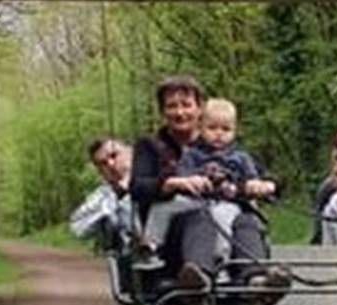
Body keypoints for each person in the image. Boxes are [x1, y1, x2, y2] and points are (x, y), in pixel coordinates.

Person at [129, 76, 271, 288]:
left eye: (186, 105)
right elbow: (137, 188)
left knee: (246, 220)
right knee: (201, 217)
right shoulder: (150, 146)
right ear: (162, 112)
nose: (180, 112)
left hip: (227, 220)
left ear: (199, 109)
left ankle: (256, 278)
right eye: (171, 106)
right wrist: (171, 184)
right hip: (176, 237)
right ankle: (199, 275)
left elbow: (261, 175)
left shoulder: (227, 147)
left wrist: (266, 185)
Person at [142, 98, 277, 265]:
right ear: (200, 128)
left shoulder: (240, 157)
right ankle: (151, 244)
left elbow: (252, 178)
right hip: (197, 200)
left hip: (227, 200)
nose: (219, 133)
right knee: (164, 207)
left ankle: (221, 260)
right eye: (212, 128)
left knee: (222, 217)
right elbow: (183, 173)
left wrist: (256, 185)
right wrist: (190, 180)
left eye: (225, 129)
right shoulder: (193, 153)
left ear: (234, 131)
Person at [69, 138, 134, 250]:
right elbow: (76, 226)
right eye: (103, 163)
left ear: (129, 152)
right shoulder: (102, 196)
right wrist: (109, 210)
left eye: (114, 155)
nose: (111, 164)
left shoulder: (159, 174)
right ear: (99, 171)